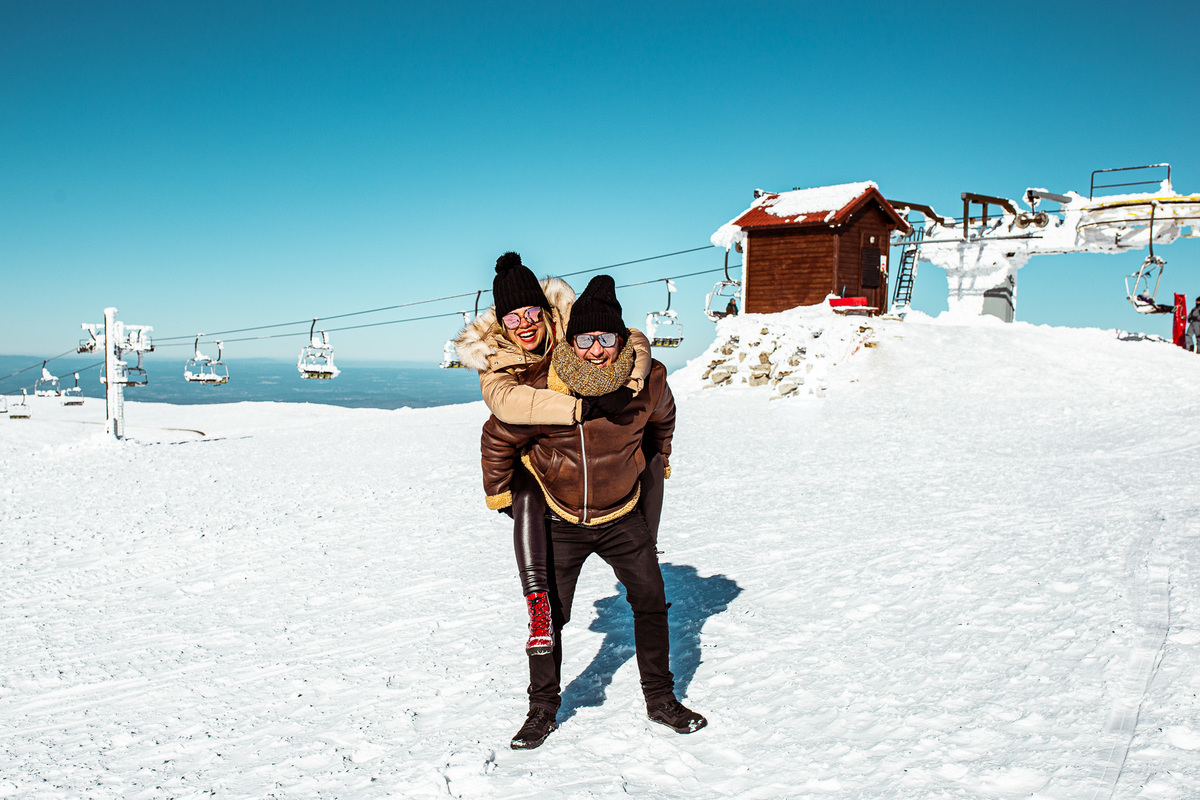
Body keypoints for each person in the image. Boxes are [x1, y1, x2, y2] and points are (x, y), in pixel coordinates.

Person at [480, 275, 706, 750]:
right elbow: (497, 436)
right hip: (561, 520)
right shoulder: (542, 388)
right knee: (549, 615)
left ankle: (660, 699)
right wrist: (505, 497)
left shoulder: (648, 379)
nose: (596, 350)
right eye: (585, 339)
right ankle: (542, 709)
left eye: (606, 338)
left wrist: (657, 459)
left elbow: (663, 418)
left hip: (623, 517)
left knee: (650, 602)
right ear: (571, 341)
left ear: (621, 339)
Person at [453, 253, 655, 658]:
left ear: (546, 312)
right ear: (502, 324)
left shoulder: (573, 324)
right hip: (531, 451)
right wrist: (578, 407)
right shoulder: (493, 355)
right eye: (513, 318)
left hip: (581, 452)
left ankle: (644, 545)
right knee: (527, 495)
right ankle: (538, 603)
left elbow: (631, 339)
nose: (524, 324)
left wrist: (628, 385)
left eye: (531, 313)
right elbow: (505, 406)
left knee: (640, 462)